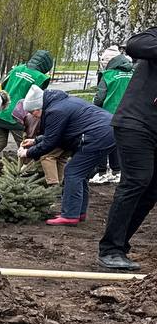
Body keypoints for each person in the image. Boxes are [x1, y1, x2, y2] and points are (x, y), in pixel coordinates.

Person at [99, 28, 157, 270]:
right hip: (136, 122)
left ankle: (120, 246)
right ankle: (110, 249)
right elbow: (134, 44)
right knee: (137, 180)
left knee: (152, 190)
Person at [19, 86, 115, 226]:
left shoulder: (55, 110)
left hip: (97, 136)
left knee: (72, 172)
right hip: (106, 132)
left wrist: (27, 152)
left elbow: (51, 142)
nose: (33, 115)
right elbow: (59, 134)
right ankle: (78, 212)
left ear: (39, 107)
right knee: (79, 173)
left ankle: (70, 215)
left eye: (33, 112)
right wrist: (35, 141)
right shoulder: (60, 104)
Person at [0, 50, 53, 156]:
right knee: (25, 145)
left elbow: (3, 86)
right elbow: (37, 99)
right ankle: (26, 168)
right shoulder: (41, 77)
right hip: (18, 117)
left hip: (0, 112)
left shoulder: (17, 69)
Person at [92, 51, 133, 183]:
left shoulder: (108, 75)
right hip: (129, 114)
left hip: (108, 113)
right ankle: (117, 171)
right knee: (119, 143)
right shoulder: (133, 73)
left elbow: (100, 97)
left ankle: (102, 171)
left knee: (103, 140)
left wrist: (94, 107)